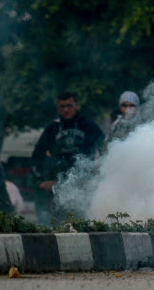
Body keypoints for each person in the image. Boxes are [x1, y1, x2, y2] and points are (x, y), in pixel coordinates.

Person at [32, 92, 104, 221]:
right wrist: (41, 180)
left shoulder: (89, 126)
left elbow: (105, 151)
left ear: (76, 105)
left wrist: (98, 179)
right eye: (62, 106)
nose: (66, 109)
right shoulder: (52, 129)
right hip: (57, 186)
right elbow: (37, 156)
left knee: (84, 223)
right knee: (58, 226)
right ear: (58, 108)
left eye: (69, 105)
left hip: (83, 185)